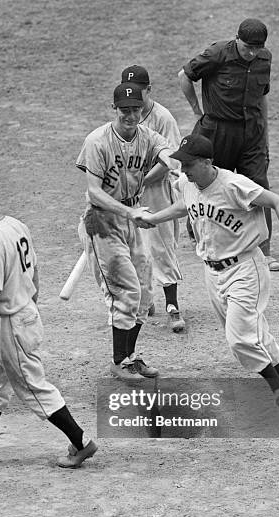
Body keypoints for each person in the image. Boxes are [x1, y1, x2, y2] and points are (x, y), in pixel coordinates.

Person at [132, 134, 279, 421]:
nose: (184, 169)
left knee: (240, 338)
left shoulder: (233, 185)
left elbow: (278, 202)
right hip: (212, 272)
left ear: (207, 162)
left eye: (189, 164)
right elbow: (185, 206)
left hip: (245, 269)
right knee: (256, 335)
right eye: (182, 163)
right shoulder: (188, 184)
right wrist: (154, 218)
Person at [0, 180, 97, 469]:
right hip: (15, 315)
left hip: (10, 322)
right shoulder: (15, 225)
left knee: (32, 386)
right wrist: (31, 303)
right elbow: (35, 270)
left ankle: (81, 442)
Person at [77, 82, 175, 382]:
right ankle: (119, 361)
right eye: (125, 111)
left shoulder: (147, 136)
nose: (131, 116)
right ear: (114, 109)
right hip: (102, 223)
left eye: (136, 110)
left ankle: (130, 357)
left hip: (131, 219)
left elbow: (170, 155)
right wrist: (129, 211)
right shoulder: (98, 141)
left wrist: (184, 171)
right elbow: (94, 192)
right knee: (127, 291)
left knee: (144, 291)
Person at [178, 18, 279, 272]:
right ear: (237, 39)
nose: (252, 53)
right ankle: (198, 231)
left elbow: (262, 98)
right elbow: (184, 76)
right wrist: (196, 111)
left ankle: (263, 249)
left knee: (257, 186)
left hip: (252, 133)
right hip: (218, 131)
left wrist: (264, 131)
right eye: (247, 47)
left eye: (257, 48)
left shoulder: (264, 59)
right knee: (209, 183)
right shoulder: (217, 54)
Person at [121, 65, 185, 332]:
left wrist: (140, 181)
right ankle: (144, 301)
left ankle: (172, 305)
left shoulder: (162, 118)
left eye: (139, 92)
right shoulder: (126, 115)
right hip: (127, 192)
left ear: (149, 89)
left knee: (160, 245)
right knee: (132, 246)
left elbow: (171, 160)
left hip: (156, 190)